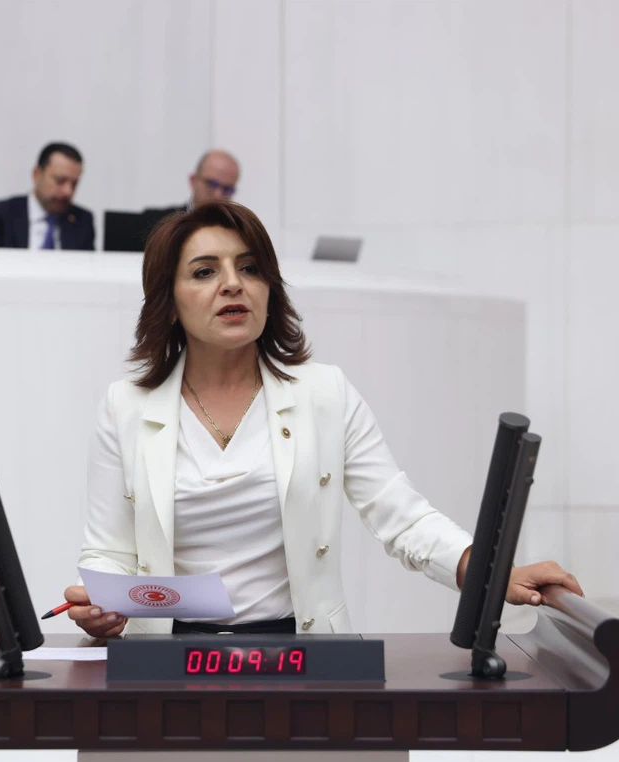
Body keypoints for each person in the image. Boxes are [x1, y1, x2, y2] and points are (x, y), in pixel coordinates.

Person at [64, 202, 582, 638]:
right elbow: (107, 551)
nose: (233, 284)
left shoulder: (324, 393)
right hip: (168, 658)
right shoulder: (125, 406)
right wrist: (99, 604)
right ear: (170, 303)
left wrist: (493, 574)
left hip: (299, 651)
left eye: (249, 268)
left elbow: (402, 517)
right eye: (205, 272)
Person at [0, 142, 95, 250]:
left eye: (74, 184)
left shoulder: (82, 221)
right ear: (37, 174)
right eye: (60, 181)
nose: (68, 191)